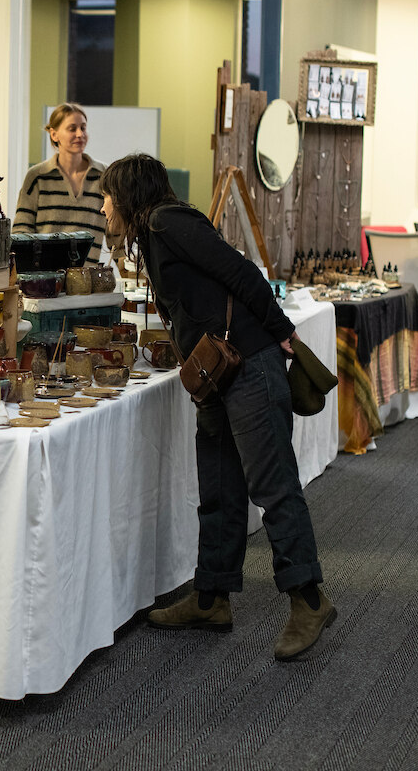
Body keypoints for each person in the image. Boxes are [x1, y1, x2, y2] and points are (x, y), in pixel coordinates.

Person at [99, 153, 335, 662]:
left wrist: (281, 331)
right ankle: (211, 598)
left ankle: (309, 599)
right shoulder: (152, 234)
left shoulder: (167, 221)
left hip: (246, 362)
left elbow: (240, 271)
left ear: (129, 195)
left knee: (272, 486)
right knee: (221, 488)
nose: (103, 207)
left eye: (107, 196)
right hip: (217, 374)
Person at [12, 103, 111, 266]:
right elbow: (21, 230)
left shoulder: (104, 175)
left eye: (83, 128)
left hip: (86, 281)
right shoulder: (37, 176)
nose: (80, 134)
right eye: (72, 128)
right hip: (45, 279)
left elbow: (116, 232)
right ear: (54, 134)